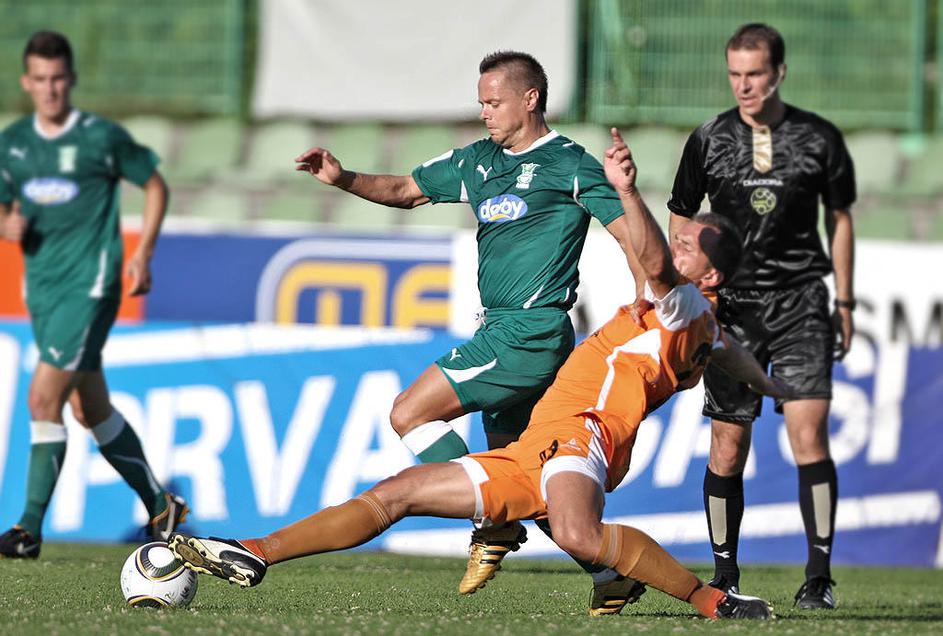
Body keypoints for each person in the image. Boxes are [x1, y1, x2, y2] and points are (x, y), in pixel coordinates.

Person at [168, 127, 795, 621]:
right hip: (536, 445)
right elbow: (729, 352)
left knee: (576, 530)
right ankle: (256, 552)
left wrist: (627, 192)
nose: (675, 247)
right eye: (678, 241)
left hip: (583, 433)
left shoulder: (684, 304)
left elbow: (655, 266)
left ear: (712, 276)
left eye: (689, 246)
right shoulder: (701, 325)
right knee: (399, 492)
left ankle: (712, 601)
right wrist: (771, 387)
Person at [294, 50, 647, 611]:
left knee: (409, 413)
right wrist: (342, 178)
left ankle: (491, 520)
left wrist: (647, 304)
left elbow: (632, 237)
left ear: (530, 99)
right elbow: (406, 190)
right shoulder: (477, 160)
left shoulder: (570, 164)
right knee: (524, 475)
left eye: (494, 102)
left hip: (528, 333)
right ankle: (610, 574)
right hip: (504, 329)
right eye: (481, 102)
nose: (484, 112)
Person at [666, 23, 856, 609]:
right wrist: (689, 290)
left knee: (809, 435)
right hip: (732, 309)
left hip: (801, 303)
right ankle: (724, 574)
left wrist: (845, 300)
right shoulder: (709, 138)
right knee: (727, 443)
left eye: (755, 74)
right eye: (735, 75)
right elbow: (680, 215)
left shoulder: (818, 138)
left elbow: (840, 219)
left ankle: (818, 579)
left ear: (779, 73)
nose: (744, 86)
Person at [0, 31, 186, 559]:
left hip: (93, 284)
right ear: (27, 82)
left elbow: (155, 185)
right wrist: (5, 223)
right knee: (89, 408)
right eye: (41, 79)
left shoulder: (101, 138)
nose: (50, 89)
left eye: (58, 78)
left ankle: (28, 528)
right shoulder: (13, 144)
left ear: (71, 79)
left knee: (43, 398)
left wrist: (143, 253)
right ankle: (161, 505)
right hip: (44, 291)